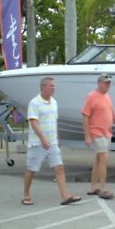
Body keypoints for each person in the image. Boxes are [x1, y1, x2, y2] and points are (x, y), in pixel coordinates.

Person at [22, 77, 81, 206]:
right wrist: (42, 138)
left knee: (59, 167)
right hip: (37, 143)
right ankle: (26, 194)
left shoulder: (54, 102)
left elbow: (54, 121)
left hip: (52, 142)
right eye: (50, 86)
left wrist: (57, 137)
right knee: (32, 169)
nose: (53, 88)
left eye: (54, 86)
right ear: (42, 87)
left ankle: (65, 196)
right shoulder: (34, 103)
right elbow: (33, 122)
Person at [82, 73, 115, 199]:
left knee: (98, 159)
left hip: (106, 132)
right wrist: (87, 136)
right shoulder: (91, 96)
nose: (108, 85)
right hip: (97, 132)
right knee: (104, 159)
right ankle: (103, 187)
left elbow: (113, 115)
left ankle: (93, 186)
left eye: (109, 83)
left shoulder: (107, 97)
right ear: (99, 83)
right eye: (106, 82)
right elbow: (85, 116)